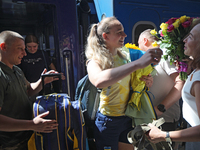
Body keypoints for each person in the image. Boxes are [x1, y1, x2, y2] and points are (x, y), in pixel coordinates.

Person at [85, 16, 162, 150]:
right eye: (119, 32)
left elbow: (132, 82)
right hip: (108, 121)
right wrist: (137, 64)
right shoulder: (95, 61)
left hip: (128, 117)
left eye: (123, 31)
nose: (124, 35)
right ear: (105, 36)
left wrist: (145, 82)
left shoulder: (127, 56)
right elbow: (98, 81)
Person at [0, 30, 59, 149]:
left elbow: (28, 90)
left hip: (26, 138)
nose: (25, 53)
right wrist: (32, 124)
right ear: (4, 47)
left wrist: (43, 81)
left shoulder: (17, 70)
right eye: (20, 49)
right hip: (9, 144)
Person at [147, 23, 200, 148]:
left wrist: (163, 135)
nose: (184, 40)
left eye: (190, 37)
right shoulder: (195, 72)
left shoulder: (198, 79)